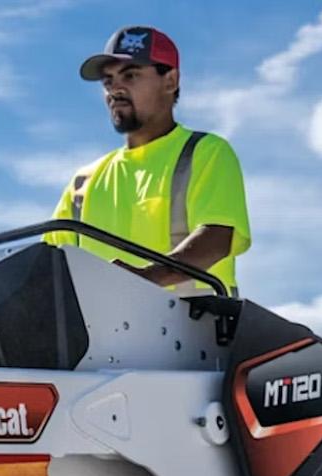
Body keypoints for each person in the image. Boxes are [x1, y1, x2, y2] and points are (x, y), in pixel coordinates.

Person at [49, 26, 251, 294]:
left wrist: (144, 280)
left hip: (197, 330)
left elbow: (215, 240)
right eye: (108, 81)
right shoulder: (82, 183)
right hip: (98, 334)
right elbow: (48, 264)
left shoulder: (205, 152)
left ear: (171, 80)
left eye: (130, 75)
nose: (115, 89)